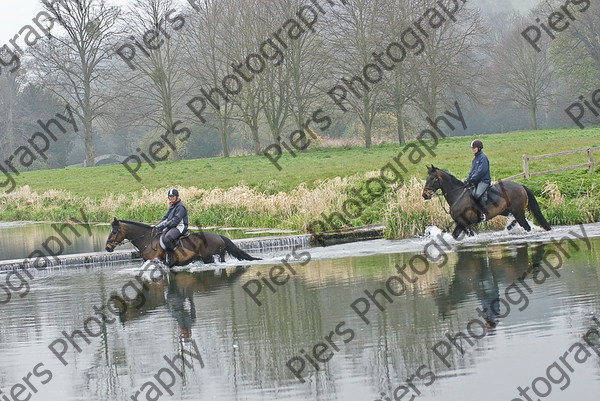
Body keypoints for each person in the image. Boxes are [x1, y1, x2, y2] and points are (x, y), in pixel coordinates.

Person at [155, 188, 189, 267]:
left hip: (180, 226)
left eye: (173, 196)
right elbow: (165, 218)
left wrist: (165, 225)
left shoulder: (180, 207)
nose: (171, 198)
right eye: (170, 196)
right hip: (172, 226)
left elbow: (176, 221)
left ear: (177, 196)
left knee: (167, 238)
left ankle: (171, 257)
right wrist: (157, 225)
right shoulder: (172, 206)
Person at [465, 139, 491, 222]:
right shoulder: (475, 159)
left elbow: (481, 171)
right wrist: (468, 179)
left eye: (474, 148)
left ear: (479, 148)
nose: (473, 149)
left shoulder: (483, 158)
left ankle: (483, 213)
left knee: (477, 195)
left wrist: (472, 179)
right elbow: (472, 171)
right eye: (472, 148)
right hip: (476, 181)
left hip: (484, 181)